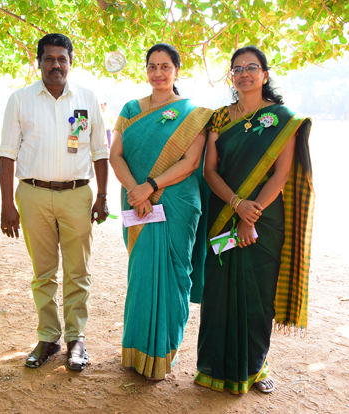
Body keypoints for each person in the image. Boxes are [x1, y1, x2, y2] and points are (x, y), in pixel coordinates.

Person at [194, 46, 314, 394]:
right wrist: (236, 204)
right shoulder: (219, 118)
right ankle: (213, 368)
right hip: (223, 214)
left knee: (258, 298)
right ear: (231, 76)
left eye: (251, 67)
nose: (244, 73)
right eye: (237, 68)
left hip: (264, 219)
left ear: (264, 74)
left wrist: (250, 215)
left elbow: (281, 175)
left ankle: (255, 367)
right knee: (219, 294)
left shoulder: (283, 119)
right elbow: (210, 170)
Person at [0, 33, 109, 371]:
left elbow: (100, 151)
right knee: (43, 272)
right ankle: (48, 336)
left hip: (77, 194)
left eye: (62, 59)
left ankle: (77, 338)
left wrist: (102, 196)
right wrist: (7, 205)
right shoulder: (20, 99)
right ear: (39, 62)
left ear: (71, 62)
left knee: (78, 271)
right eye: (49, 58)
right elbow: (6, 154)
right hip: (32, 195)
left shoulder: (87, 98)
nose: (56, 65)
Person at [109, 43, 212, 381]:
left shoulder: (192, 113)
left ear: (177, 70)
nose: (158, 73)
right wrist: (135, 191)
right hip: (137, 202)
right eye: (152, 66)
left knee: (175, 275)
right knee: (141, 274)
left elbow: (191, 162)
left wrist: (150, 186)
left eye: (165, 66)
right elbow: (115, 155)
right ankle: (136, 351)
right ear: (146, 70)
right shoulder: (130, 109)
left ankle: (163, 353)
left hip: (177, 202)